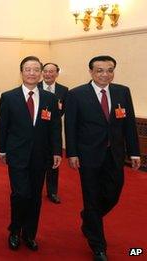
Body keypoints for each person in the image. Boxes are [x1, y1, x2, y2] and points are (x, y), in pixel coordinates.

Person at [65, 55, 140, 261]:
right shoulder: (76, 94)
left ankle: (89, 217)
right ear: (91, 72)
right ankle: (98, 246)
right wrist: (72, 153)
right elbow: (70, 127)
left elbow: (129, 124)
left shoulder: (122, 92)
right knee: (91, 197)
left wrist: (134, 151)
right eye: (100, 70)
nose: (105, 74)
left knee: (113, 193)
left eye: (109, 70)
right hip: (88, 155)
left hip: (115, 155)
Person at [0, 56, 62, 252]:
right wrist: (2, 149)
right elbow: (3, 126)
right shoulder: (9, 97)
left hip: (41, 156)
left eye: (36, 70)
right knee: (20, 194)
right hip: (17, 155)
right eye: (28, 69)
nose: (32, 73)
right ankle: (15, 231)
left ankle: (30, 234)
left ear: (41, 73)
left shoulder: (50, 99)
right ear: (21, 72)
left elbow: (55, 128)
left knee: (35, 196)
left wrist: (57, 151)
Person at [37, 62, 68, 204]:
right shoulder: (35, 86)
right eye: (46, 71)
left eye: (51, 72)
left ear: (57, 73)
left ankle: (52, 191)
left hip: (53, 130)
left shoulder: (64, 90)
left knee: (53, 162)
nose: (48, 74)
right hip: (37, 130)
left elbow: (63, 111)